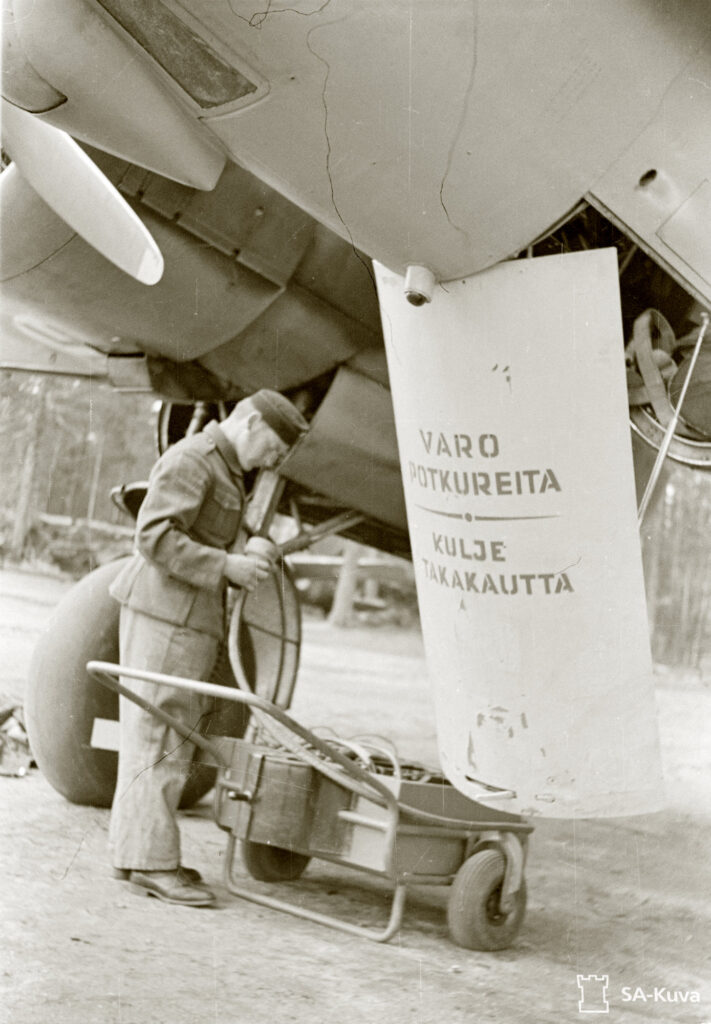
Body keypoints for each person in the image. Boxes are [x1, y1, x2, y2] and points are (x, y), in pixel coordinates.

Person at [108, 389, 308, 907]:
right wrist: (227, 567)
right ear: (251, 423)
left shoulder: (220, 467)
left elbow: (209, 528)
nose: (274, 461)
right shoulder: (194, 459)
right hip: (168, 617)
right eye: (274, 448)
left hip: (182, 618)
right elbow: (152, 536)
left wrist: (249, 544)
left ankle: (136, 855)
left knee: (156, 735)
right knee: (162, 737)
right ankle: (153, 864)